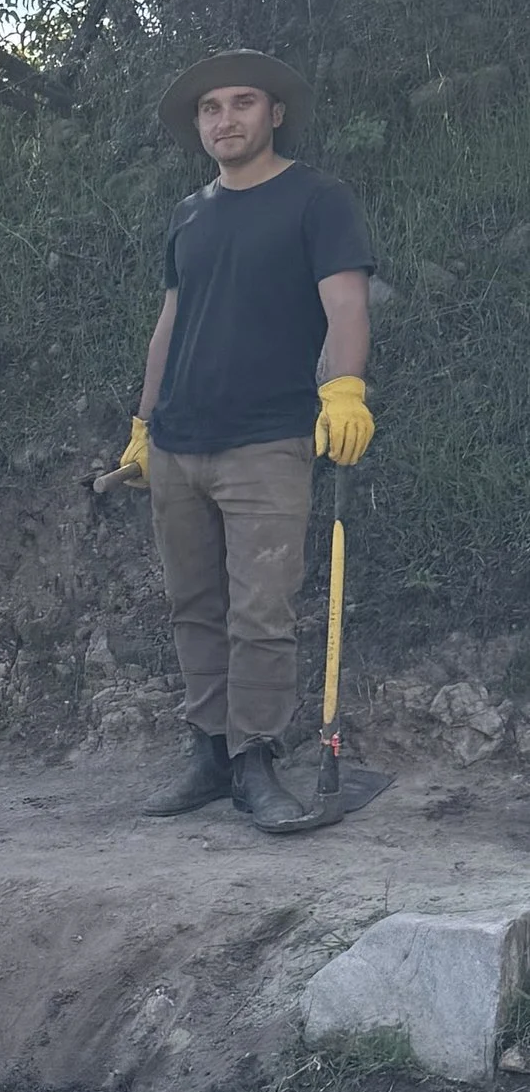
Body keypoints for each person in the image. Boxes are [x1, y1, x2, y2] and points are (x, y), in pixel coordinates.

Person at [118, 51, 374, 833]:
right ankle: (207, 750)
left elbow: (346, 304)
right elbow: (170, 324)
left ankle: (255, 759)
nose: (224, 120)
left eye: (241, 103)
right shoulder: (189, 213)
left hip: (268, 438)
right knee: (192, 605)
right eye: (209, 109)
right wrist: (141, 422)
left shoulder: (317, 198)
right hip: (178, 440)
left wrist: (345, 387)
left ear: (275, 113)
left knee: (262, 610)